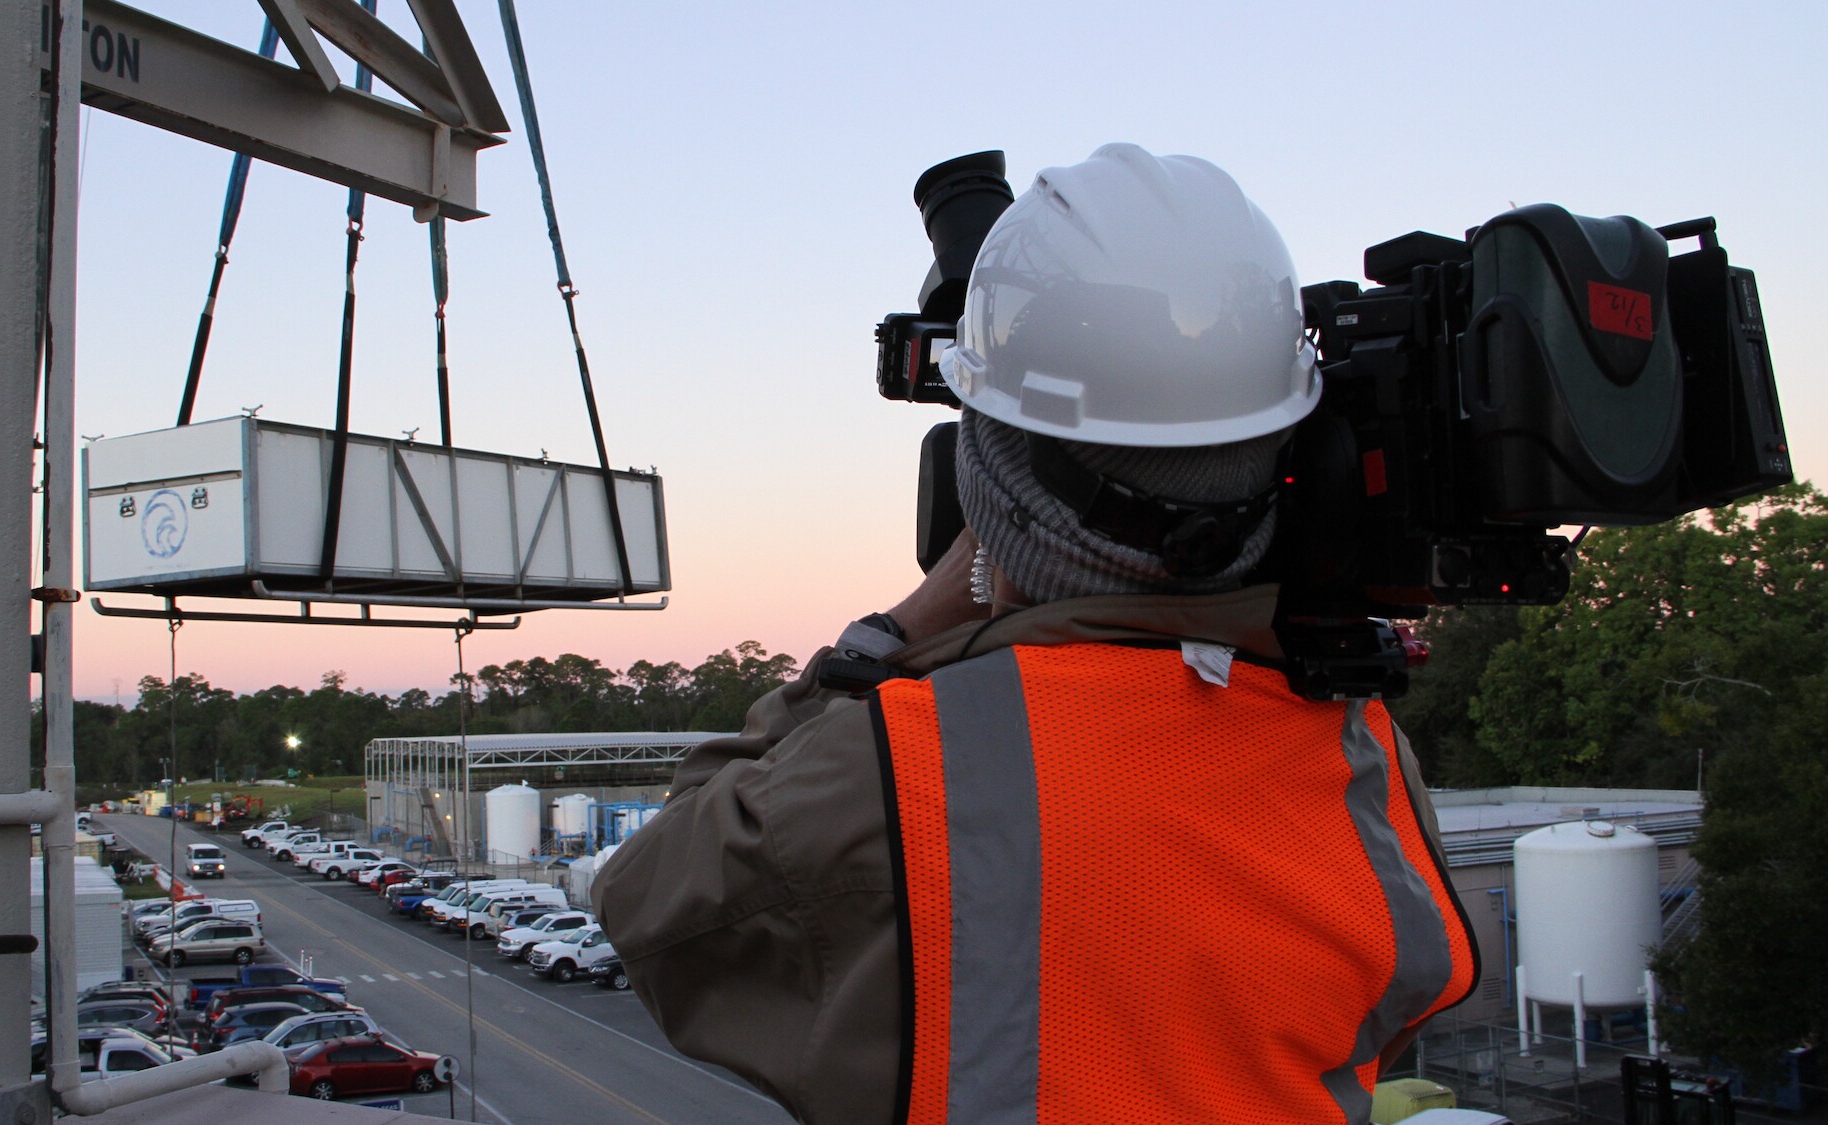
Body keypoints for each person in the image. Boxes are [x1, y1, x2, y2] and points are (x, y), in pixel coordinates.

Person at [595, 143, 1478, 1124]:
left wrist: (888, 639)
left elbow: (644, 898)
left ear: (992, 483)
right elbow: (1407, 994)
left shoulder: (895, 763)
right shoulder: (1354, 743)